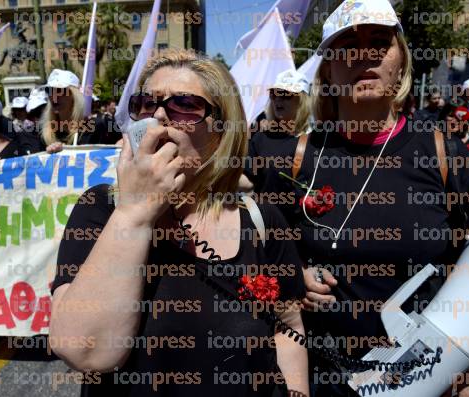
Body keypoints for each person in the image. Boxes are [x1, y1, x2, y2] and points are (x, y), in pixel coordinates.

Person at [49, 49, 309, 397]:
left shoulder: (261, 220)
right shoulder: (100, 210)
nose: (158, 116)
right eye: (146, 103)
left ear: (222, 130)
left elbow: (288, 328)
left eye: (184, 105)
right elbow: (85, 351)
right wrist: (135, 213)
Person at [260, 1, 469, 395]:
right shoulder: (296, 158)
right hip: (319, 378)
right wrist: (294, 280)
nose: (365, 55)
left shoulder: (446, 156)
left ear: (401, 60)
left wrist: (467, 372)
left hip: (423, 380)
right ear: (328, 68)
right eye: (347, 46)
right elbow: (262, 261)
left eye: (380, 42)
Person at [240, 69, 312, 209]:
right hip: (267, 224)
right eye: (274, 94)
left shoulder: (317, 140)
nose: (278, 99)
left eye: (285, 94)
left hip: (302, 225)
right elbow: (248, 181)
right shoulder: (261, 138)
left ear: (302, 99)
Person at [40, 69, 99, 153]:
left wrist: (120, 142)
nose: (54, 97)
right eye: (49, 91)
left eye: (60, 91)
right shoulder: (45, 136)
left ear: (74, 95)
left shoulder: (95, 127)